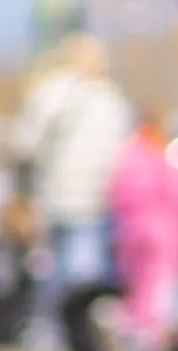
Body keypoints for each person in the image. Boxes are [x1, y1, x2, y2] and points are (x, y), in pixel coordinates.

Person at [12, 37, 137, 316]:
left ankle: (51, 328)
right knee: (84, 268)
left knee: (52, 268)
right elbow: (123, 153)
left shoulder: (50, 92)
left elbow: (24, 142)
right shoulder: (111, 99)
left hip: (54, 195)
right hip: (93, 197)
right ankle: (76, 329)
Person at [101, 115, 178, 351]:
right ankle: (157, 336)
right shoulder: (167, 155)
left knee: (138, 285)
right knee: (161, 286)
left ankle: (135, 329)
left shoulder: (128, 155)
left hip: (133, 230)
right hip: (166, 230)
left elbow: (116, 195)